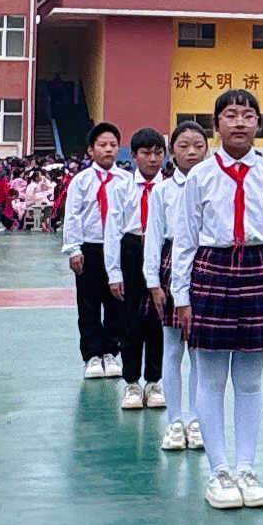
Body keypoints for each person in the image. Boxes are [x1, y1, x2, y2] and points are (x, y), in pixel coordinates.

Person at [164, 89, 263, 509]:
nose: (240, 122)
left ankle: (247, 467)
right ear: (216, 124)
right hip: (213, 269)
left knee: (251, 380)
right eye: (231, 115)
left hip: (259, 270)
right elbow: (184, 239)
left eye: (248, 115)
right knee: (211, 377)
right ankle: (219, 470)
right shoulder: (199, 176)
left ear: (259, 123)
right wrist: (180, 295)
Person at [148, 116, 214, 459]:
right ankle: (175, 422)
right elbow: (154, 238)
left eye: (198, 146)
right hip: (172, 264)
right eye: (184, 146)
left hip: (208, 265)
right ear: (171, 150)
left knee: (201, 354)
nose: (191, 152)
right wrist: (153, 283)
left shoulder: (213, 184)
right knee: (172, 349)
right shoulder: (162, 190)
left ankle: (199, 422)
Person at [110, 126, 175, 417]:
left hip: (161, 251)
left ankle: (154, 381)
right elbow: (112, 230)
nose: (153, 158)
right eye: (146, 153)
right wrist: (114, 272)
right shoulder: (121, 187)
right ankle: (132, 383)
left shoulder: (171, 187)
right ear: (134, 155)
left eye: (158, 152)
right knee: (130, 318)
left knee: (158, 318)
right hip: (131, 248)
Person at [59, 120, 125, 378]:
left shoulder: (125, 180)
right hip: (90, 248)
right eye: (102, 145)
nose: (108, 149)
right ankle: (92, 355)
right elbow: (73, 215)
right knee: (88, 304)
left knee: (116, 302)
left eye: (113, 145)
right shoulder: (81, 181)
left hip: (117, 249)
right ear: (91, 150)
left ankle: (111, 352)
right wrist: (74, 249)